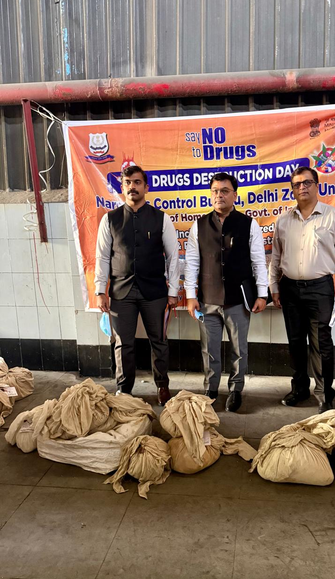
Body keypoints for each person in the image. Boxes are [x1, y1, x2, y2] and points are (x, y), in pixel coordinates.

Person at [269, 166, 335, 413]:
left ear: (317, 185)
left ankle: (325, 393)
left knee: (321, 343)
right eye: (297, 184)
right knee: (295, 342)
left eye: (307, 182)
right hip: (289, 289)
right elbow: (276, 258)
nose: (302, 187)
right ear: (292, 189)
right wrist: (274, 286)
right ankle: (299, 389)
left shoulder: (334, 216)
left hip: (320, 289)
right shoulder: (284, 220)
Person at [95, 164, 179, 405]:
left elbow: (173, 257)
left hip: (155, 292)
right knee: (123, 343)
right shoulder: (109, 220)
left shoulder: (161, 219)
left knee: (159, 341)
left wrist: (173, 291)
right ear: (122, 188)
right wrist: (100, 291)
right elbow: (102, 257)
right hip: (120, 292)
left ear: (146, 187)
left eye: (137, 182)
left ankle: (162, 386)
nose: (132, 187)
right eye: (128, 183)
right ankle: (124, 389)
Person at [184, 172, 269, 412]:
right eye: (215, 191)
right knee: (209, 349)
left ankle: (236, 389)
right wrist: (190, 296)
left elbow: (258, 261)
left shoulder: (248, 224)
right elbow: (192, 263)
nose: (219, 195)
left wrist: (262, 294)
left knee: (239, 349)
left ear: (234, 195)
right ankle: (211, 389)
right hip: (207, 300)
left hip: (238, 300)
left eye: (224, 191)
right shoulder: (199, 226)